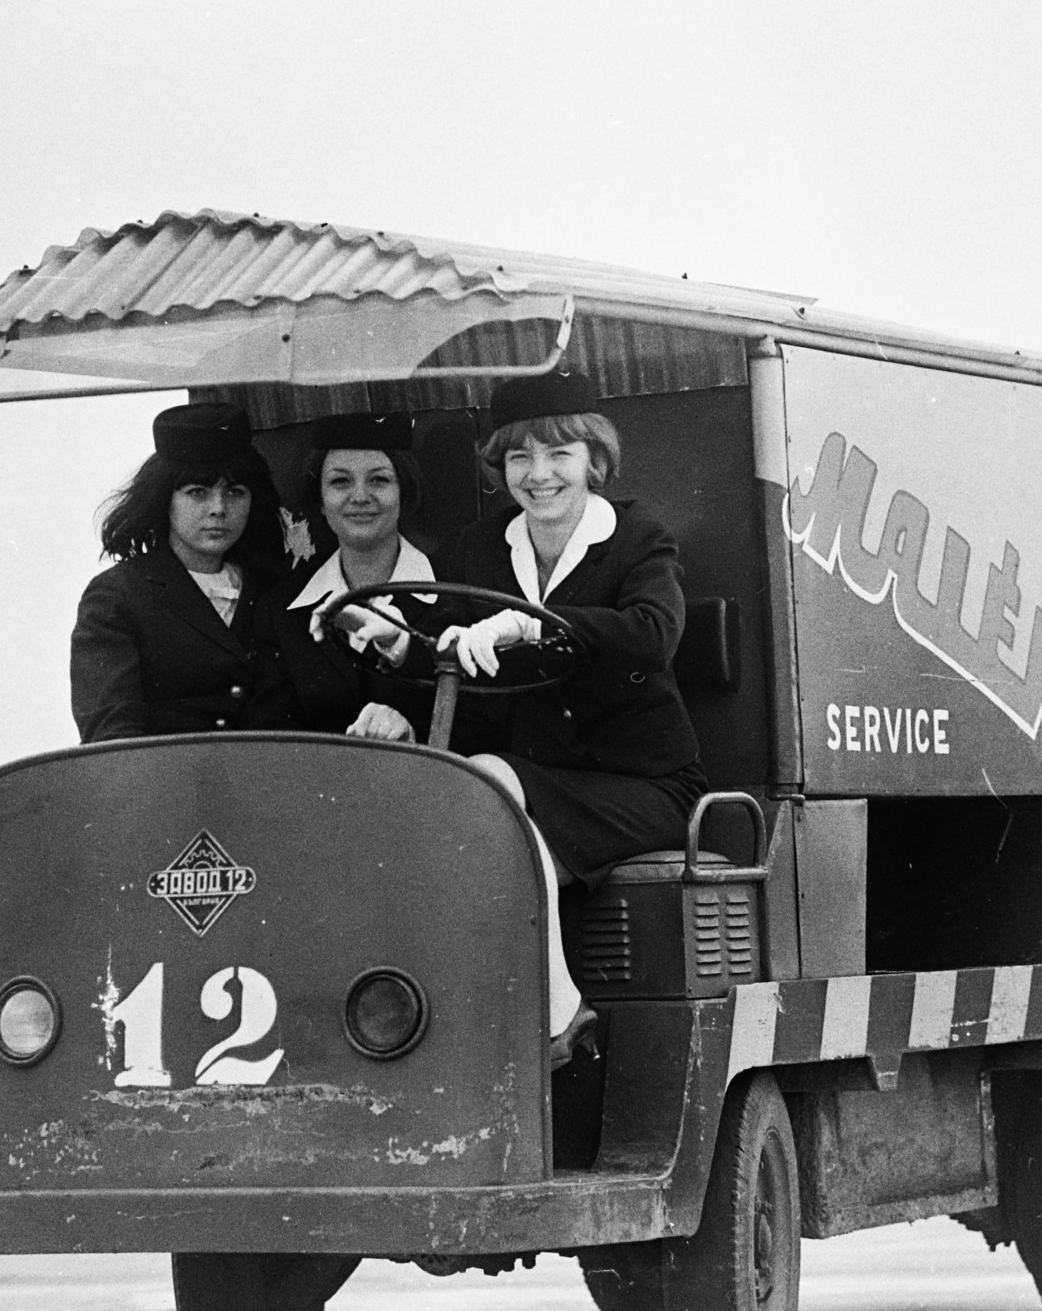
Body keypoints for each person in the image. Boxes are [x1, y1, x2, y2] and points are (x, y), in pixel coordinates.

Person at [435, 371, 708, 1065]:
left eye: (559, 453)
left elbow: (652, 634)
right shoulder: (478, 548)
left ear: (595, 459)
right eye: (519, 456)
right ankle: (542, 1027)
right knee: (486, 852)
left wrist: (532, 627)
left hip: (645, 786)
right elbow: (437, 647)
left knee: (491, 800)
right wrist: (385, 646)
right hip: (542, 786)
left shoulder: (639, 537)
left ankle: (558, 1017)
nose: (539, 474)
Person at [70, 402, 284, 742]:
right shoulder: (117, 596)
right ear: (163, 500)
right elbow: (111, 731)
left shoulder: (273, 590)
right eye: (197, 492)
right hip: (166, 787)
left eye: (236, 492)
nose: (219, 509)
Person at [249, 414, 432, 740]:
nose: (360, 496)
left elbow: (481, 726)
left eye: (378, 480)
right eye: (340, 482)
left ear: (405, 490)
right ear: (319, 500)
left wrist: (413, 734)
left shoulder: (455, 594)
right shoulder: (280, 608)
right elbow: (271, 737)